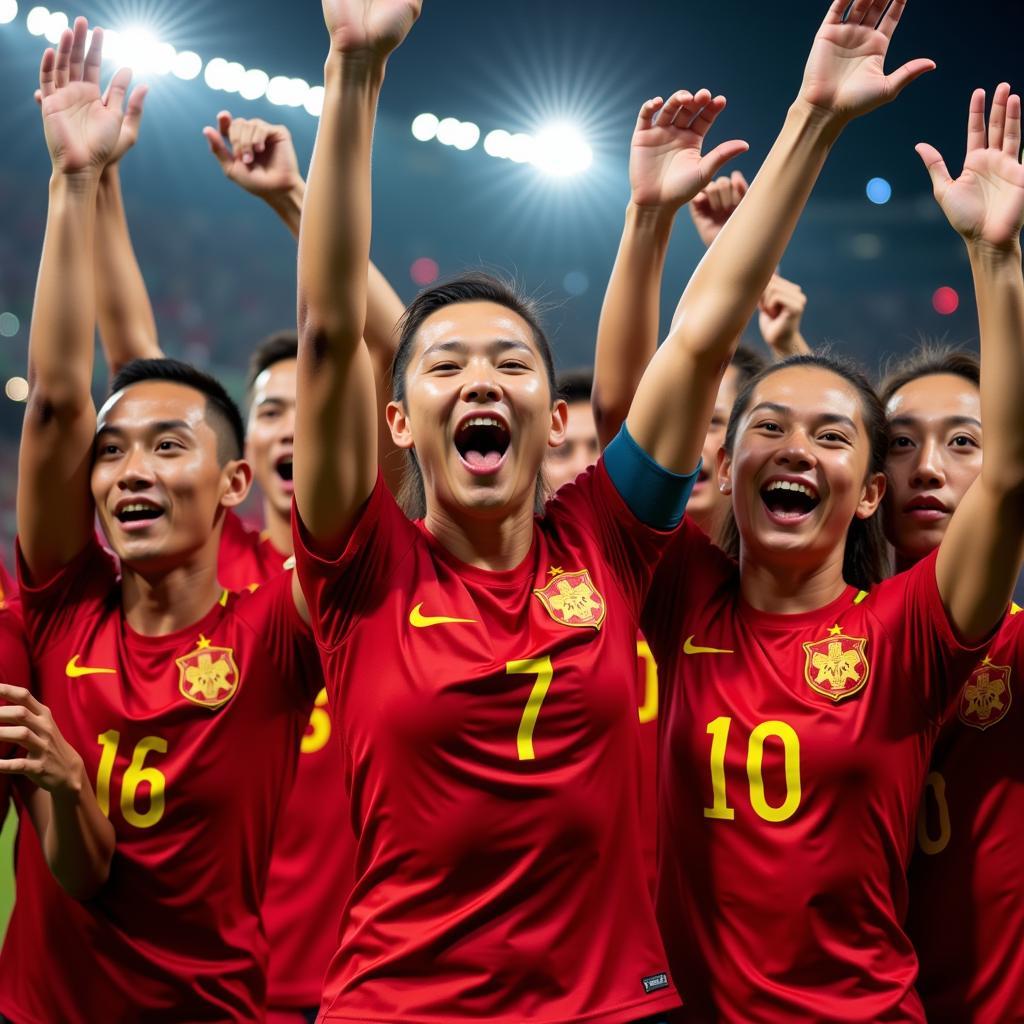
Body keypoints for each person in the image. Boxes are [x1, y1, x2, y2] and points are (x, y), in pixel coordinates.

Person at [290, 0, 760, 1018]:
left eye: (510, 362)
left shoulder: (606, 539)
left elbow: (702, 339)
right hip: (400, 1005)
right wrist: (354, 68)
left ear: (553, 419)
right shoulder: (361, 565)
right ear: (399, 422)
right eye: (444, 365)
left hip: (609, 1006)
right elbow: (329, 329)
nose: (479, 381)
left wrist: (810, 117)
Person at [600, 2, 1024, 1019]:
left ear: (870, 487)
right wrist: (806, 119)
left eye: (833, 437)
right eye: (767, 427)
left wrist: (996, 259)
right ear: (722, 456)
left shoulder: (906, 630)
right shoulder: (676, 595)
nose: (795, 448)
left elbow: (1008, 474)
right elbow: (635, 408)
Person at [0, 19, 322, 1023]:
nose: (130, 469)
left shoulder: (277, 623)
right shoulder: (63, 605)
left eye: (166, 450)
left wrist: (303, 193)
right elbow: (66, 398)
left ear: (232, 484)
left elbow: (352, 378)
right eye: (113, 454)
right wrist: (75, 182)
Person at [94, 100, 406, 1022]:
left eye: (303, 406)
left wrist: (297, 200)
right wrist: (97, 181)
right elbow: (135, 370)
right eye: (266, 409)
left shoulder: (362, 577)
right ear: (235, 461)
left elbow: (384, 346)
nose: (289, 424)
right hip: (222, 984)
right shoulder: (206, 578)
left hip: (353, 981)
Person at [883, 360, 1023, 1013]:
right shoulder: (821, 646)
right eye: (899, 443)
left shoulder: (1018, 649)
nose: (928, 468)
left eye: (963, 441)